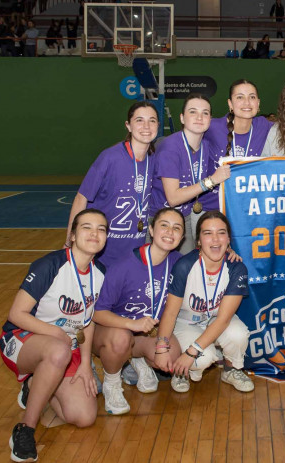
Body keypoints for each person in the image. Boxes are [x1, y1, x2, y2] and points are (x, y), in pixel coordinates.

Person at [0, 209, 108, 462]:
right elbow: (17, 314)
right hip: (21, 340)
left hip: (63, 349)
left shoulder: (100, 273)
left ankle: (34, 384)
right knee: (58, 351)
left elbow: (88, 322)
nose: (94, 233)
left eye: (101, 229)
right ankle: (25, 429)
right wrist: (57, 333)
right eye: (87, 227)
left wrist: (84, 367)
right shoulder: (50, 265)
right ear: (72, 235)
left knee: (84, 417)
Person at [92, 208, 187, 416]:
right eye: (164, 225)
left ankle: (137, 359)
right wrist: (131, 324)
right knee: (121, 338)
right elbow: (98, 314)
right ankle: (112, 383)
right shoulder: (123, 266)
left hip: (146, 334)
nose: (170, 232)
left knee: (171, 355)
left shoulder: (180, 263)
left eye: (176, 228)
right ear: (151, 230)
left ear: (182, 237)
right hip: (112, 333)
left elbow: (209, 259)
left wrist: (230, 253)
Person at [156, 211, 253, 392]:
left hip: (216, 321)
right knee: (203, 357)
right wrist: (162, 347)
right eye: (207, 233)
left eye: (221, 232)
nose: (215, 239)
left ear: (229, 239)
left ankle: (231, 370)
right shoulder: (185, 266)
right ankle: (181, 371)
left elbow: (223, 319)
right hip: (185, 323)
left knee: (238, 334)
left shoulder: (236, 268)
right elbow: (169, 313)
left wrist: (192, 351)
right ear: (199, 240)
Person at [66, 102, 158, 269]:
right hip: (103, 251)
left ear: (158, 125)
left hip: (134, 251)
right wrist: (69, 242)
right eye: (139, 120)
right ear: (128, 126)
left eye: (152, 120)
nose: (146, 126)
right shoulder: (110, 158)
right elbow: (81, 199)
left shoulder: (153, 159)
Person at [150, 94, 230, 255]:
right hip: (160, 218)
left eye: (205, 113)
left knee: (184, 267)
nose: (199, 117)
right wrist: (212, 180)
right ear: (182, 117)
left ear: (210, 120)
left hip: (184, 217)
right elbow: (173, 198)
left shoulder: (205, 146)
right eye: (193, 112)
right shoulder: (170, 147)